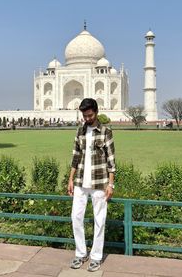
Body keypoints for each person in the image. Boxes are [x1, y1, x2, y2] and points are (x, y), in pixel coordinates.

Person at [68, 98, 116, 272]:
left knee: (99, 219)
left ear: (96, 112)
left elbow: (111, 160)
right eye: (84, 115)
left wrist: (111, 184)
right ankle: (81, 253)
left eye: (89, 115)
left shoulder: (105, 132)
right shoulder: (80, 131)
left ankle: (96, 256)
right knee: (76, 217)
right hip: (81, 180)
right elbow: (75, 156)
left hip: (99, 182)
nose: (87, 118)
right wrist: (70, 179)